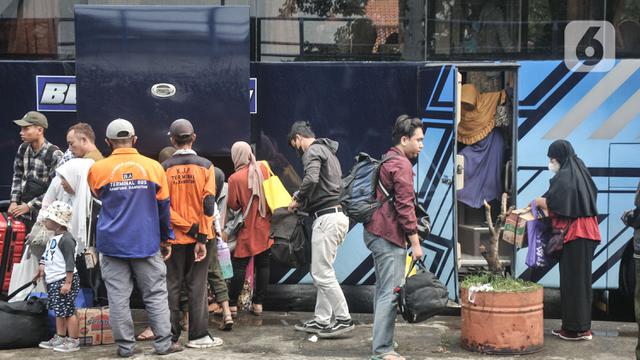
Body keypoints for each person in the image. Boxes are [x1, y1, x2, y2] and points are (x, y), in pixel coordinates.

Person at [87, 118, 179, 357]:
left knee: (118, 298)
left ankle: (126, 348)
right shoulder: (153, 167)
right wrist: (166, 238)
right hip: (146, 243)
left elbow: (97, 195)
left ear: (108, 142)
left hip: (112, 244)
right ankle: (164, 344)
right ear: (135, 140)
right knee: (156, 294)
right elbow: (163, 208)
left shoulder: (98, 169)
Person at [363, 115, 424, 360]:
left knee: (383, 290)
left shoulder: (388, 158)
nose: (421, 145)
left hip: (375, 232)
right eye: (418, 140)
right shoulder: (402, 165)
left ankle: (382, 341)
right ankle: (382, 350)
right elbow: (405, 207)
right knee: (390, 292)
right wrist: (416, 243)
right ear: (404, 139)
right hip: (388, 236)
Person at [287, 121, 354, 338]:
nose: (296, 149)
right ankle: (322, 320)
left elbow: (311, 178)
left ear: (298, 138)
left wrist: (298, 198)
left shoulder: (312, 151)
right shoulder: (328, 152)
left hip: (327, 219)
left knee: (320, 273)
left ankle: (343, 319)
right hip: (336, 217)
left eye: (294, 144)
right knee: (325, 272)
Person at [162, 119, 224, 348]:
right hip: (202, 237)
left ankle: (168, 336)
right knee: (198, 285)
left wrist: (185, 227)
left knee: (172, 285)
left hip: (174, 238)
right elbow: (209, 203)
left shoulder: (165, 168)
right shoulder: (206, 166)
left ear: (172, 140)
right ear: (194, 137)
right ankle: (198, 336)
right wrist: (199, 235)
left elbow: (163, 207)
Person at [534, 139, 600, 341]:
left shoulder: (565, 178)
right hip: (586, 234)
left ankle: (575, 330)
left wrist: (538, 202)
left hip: (577, 235)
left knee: (574, 284)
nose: (551, 163)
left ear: (559, 158)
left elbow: (556, 203)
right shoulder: (580, 172)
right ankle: (577, 327)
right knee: (580, 282)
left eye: (552, 159)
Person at [224, 141, 272, 318]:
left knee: (239, 266)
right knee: (263, 263)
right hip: (265, 224)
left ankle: (232, 305)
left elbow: (233, 205)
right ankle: (258, 304)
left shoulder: (234, 178)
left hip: (248, 227)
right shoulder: (263, 169)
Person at [35, 201, 81, 353]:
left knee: (68, 310)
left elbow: (70, 262)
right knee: (59, 310)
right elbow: (47, 255)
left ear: (57, 222)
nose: (46, 221)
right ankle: (60, 336)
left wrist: (68, 282)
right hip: (54, 280)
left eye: (48, 219)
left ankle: (74, 340)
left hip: (63, 279)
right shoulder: (53, 238)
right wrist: (42, 265)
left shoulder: (66, 240)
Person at [9, 111, 64, 229]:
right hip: (21, 214)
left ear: (40, 130)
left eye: (26, 129)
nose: (21, 132)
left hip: (43, 218)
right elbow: (17, 176)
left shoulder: (55, 154)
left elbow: (55, 190)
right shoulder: (22, 148)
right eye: (21, 129)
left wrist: (29, 206)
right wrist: (14, 201)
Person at [207, 166, 234, 330]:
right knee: (216, 275)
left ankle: (188, 319)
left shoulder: (204, 195)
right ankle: (227, 313)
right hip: (212, 238)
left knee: (191, 277)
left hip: (198, 238)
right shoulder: (214, 199)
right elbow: (217, 221)